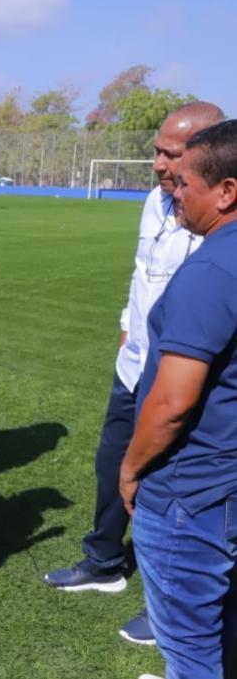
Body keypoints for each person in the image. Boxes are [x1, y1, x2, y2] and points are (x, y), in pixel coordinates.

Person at [44, 102, 224, 646]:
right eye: (156, 150)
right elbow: (142, 270)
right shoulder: (155, 202)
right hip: (135, 368)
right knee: (112, 467)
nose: (157, 164)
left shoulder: (215, 216)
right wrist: (128, 327)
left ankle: (166, 600)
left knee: (165, 488)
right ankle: (103, 561)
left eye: (170, 154)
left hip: (183, 376)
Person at [120, 119, 237, 679]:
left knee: (190, 649)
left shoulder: (212, 269)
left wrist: (131, 467)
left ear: (226, 191)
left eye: (184, 183)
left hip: (191, 490)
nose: (174, 191)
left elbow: (171, 404)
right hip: (225, 479)